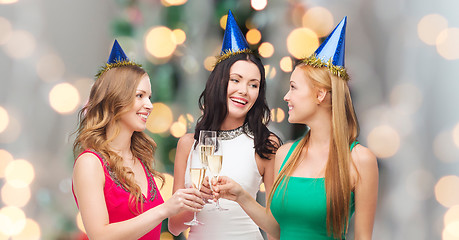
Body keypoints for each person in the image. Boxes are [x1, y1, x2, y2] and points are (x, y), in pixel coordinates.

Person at [213, 16, 379, 240]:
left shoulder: (360, 159)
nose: (286, 96)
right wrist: (241, 196)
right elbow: (275, 228)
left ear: (320, 94)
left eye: (293, 88)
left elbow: (363, 237)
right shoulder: (285, 154)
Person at [72, 40, 205, 240]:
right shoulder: (90, 162)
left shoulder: (139, 159)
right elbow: (100, 236)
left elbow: (168, 224)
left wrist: (195, 200)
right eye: (140, 96)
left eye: (149, 97)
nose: (149, 105)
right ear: (115, 99)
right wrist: (164, 209)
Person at [168, 10, 281, 240]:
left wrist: (242, 196)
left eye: (253, 84)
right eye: (236, 80)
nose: (243, 91)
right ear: (220, 83)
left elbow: (276, 229)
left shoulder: (266, 144)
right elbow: (174, 226)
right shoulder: (188, 144)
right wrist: (198, 197)